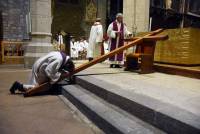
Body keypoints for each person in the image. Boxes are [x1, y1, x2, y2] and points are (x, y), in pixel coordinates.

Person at [9, 51, 75, 94]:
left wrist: (60, 73)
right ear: (67, 64)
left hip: (39, 65)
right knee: (37, 88)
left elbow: (54, 68)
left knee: (36, 85)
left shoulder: (61, 55)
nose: (64, 69)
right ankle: (19, 86)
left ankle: (20, 86)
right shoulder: (59, 60)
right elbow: (49, 71)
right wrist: (60, 75)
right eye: (66, 68)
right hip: (41, 69)